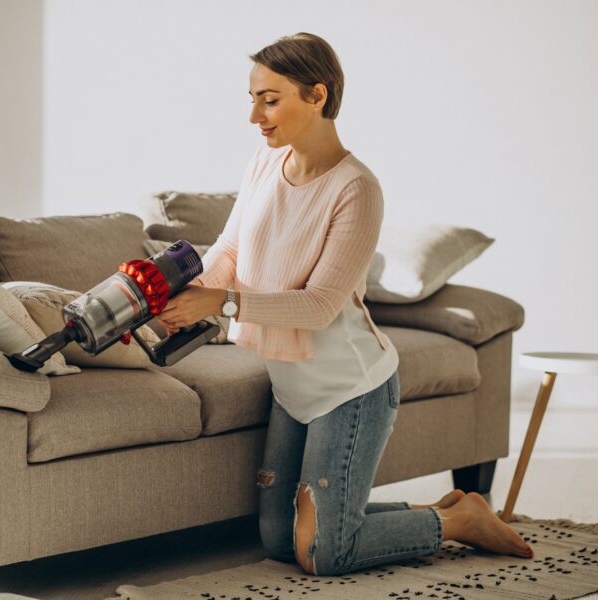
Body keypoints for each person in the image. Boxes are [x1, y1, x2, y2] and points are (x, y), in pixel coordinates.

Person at [156, 32, 534, 576]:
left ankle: (460, 523)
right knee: (278, 539)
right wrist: (181, 293)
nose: (254, 116)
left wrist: (223, 304)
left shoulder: (356, 188)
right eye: (252, 98)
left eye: (270, 98)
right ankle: (443, 508)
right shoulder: (263, 167)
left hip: (350, 389)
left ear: (317, 95)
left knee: (327, 553)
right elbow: (231, 249)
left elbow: (318, 307)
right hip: (293, 388)